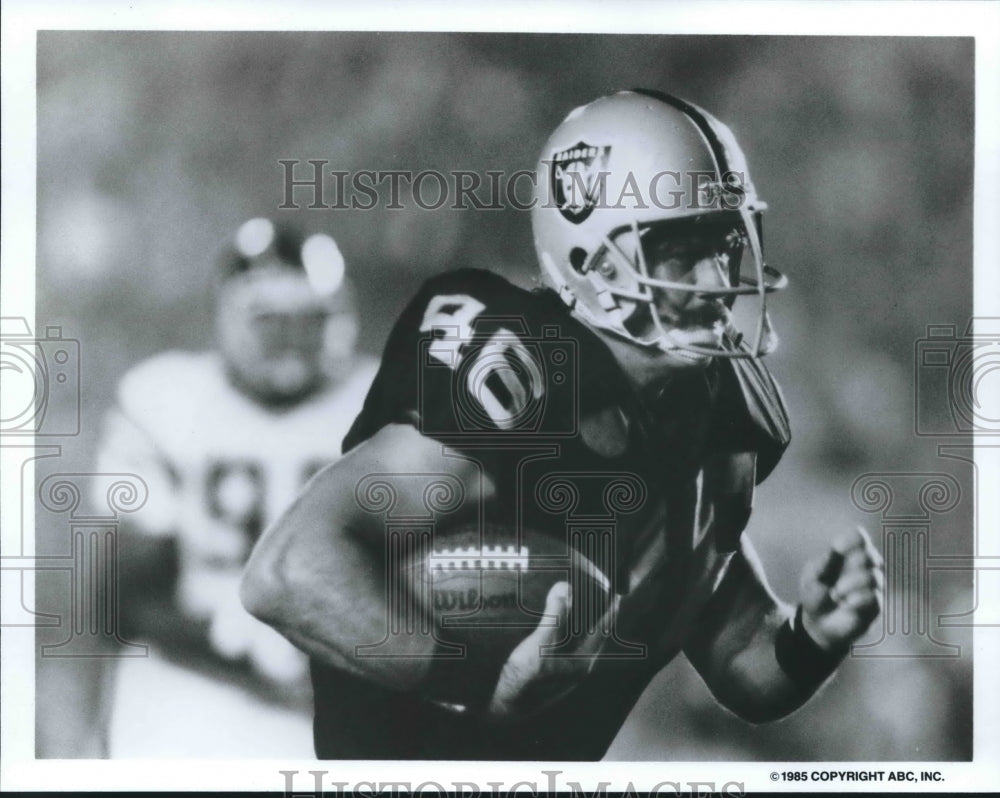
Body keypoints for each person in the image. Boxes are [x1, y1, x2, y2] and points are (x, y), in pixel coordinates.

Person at [241, 90, 884, 760]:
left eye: (724, 243)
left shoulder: (722, 412)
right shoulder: (522, 377)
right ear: (588, 260)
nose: (716, 277)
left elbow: (743, 661)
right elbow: (288, 570)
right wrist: (476, 679)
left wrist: (812, 636)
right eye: (680, 250)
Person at [92, 217, 376, 757]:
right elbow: (125, 597)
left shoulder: (380, 404)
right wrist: (247, 656)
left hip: (347, 678)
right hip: (196, 678)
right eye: (270, 320)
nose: (289, 340)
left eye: (306, 319)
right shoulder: (163, 401)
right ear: (227, 316)